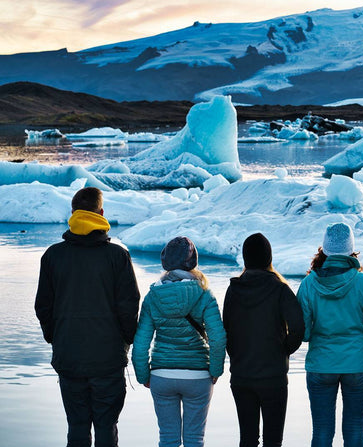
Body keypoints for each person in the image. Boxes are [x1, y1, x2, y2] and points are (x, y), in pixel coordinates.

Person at [35, 187, 140, 447]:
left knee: (77, 426)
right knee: (107, 426)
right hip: (108, 360)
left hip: (69, 356)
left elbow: (43, 307)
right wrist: (125, 341)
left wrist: (56, 337)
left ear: (73, 214)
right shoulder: (118, 256)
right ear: (101, 213)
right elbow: (129, 305)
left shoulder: (53, 256)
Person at [296, 222, 363, 447]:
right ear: (351, 250)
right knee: (355, 431)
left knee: (321, 432)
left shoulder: (309, 283)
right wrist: (358, 335)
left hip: (321, 365)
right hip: (358, 364)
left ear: (325, 249)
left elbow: (303, 332)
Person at [132, 236, 226, 447]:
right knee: (195, 439)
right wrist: (215, 370)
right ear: (193, 263)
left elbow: (140, 344)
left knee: (168, 439)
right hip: (198, 376)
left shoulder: (152, 296)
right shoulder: (204, 294)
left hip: (161, 375)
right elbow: (218, 338)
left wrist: (143, 376)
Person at [223, 233, 305, 447]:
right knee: (273, 440)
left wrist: (238, 355)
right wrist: (283, 350)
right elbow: (298, 327)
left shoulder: (234, 289)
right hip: (273, 377)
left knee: (248, 439)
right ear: (269, 258)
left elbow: (226, 330)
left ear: (246, 259)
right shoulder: (280, 289)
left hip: (241, 376)